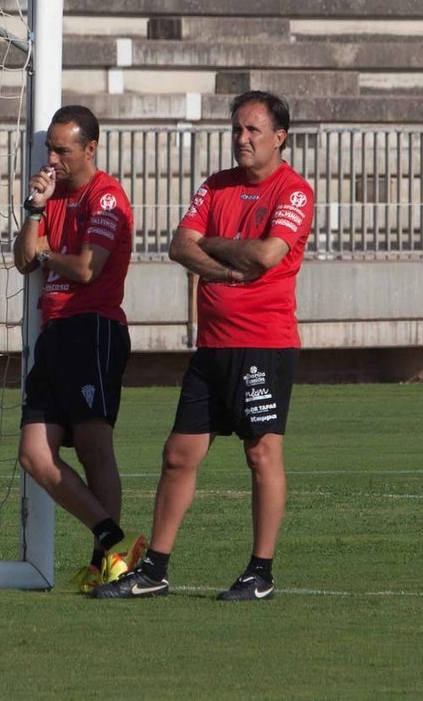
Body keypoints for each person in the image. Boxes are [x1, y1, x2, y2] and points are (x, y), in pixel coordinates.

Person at [92, 90, 314, 602]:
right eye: (237, 128)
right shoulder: (216, 185)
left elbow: (263, 256)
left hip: (264, 344)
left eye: (253, 130)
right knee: (177, 455)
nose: (242, 138)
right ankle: (154, 570)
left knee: (261, 455)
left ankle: (261, 572)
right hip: (213, 345)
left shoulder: (293, 192)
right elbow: (178, 244)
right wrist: (223, 261)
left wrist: (211, 243)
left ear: (279, 137)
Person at [12, 104, 145, 593]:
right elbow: (25, 261)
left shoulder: (106, 198)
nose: (53, 158)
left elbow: (87, 269)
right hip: (55, 333)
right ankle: (114, 538)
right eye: (50, 147)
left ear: (90, 149)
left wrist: (46, 251)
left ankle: (104, 562)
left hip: (93, 328)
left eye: (62, 149)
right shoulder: (51, 197)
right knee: (34, 454)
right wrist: (34, 210)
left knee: (93, 447)